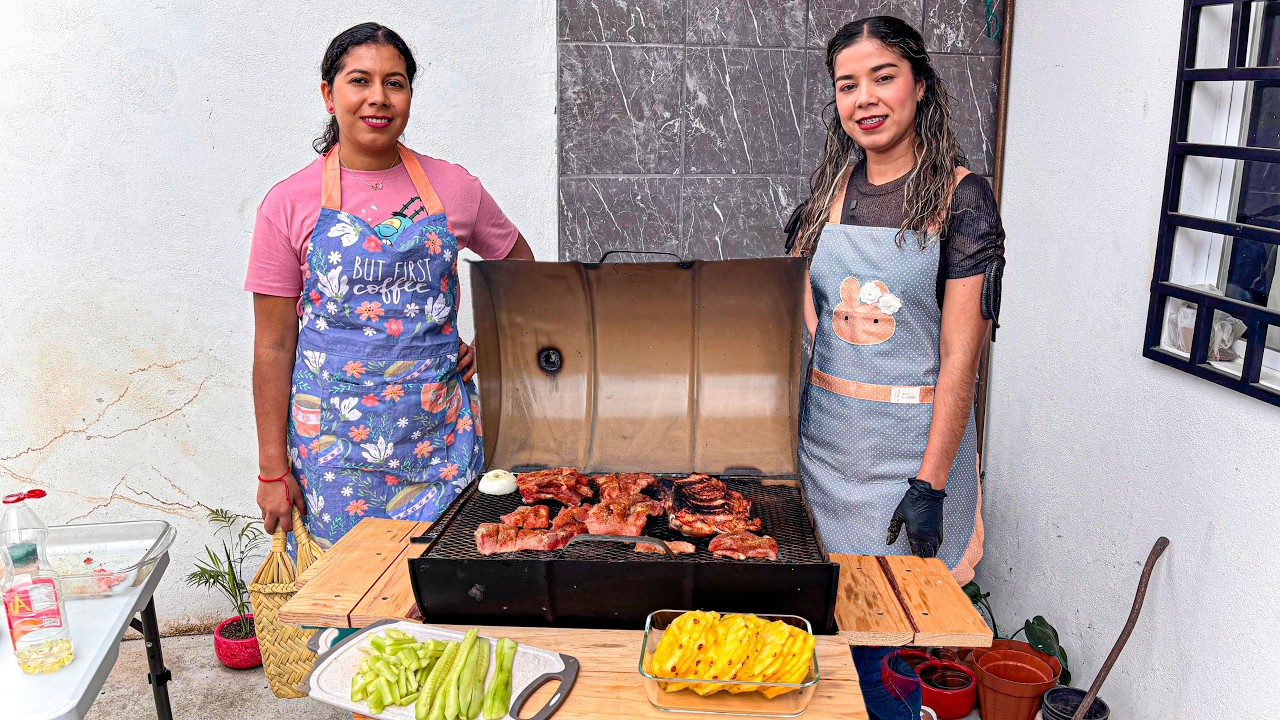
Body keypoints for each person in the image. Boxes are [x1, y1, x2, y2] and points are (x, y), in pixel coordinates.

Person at [786, 16, 1005, 720]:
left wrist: (929, 486)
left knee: (884, 643)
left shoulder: (962, 200)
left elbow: (960, 361)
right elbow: (806, 320)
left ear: (920, 84)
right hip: (824, 455)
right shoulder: (829, 193)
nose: (865, 99)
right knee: (818, 639)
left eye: (883, 77)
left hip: (908, 464)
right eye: (847, 85)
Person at [246, 23, 534, 547]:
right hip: (333, 453)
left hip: (438, 444)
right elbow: (273, 343)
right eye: (360, 80)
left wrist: (493, 344)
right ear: (329, 94)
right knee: (343, 590)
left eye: (394, 83)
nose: (378, 97)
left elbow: (520, 270)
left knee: (444, 583)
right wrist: (271, 469)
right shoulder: (287, 203)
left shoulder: (455, 188)